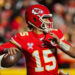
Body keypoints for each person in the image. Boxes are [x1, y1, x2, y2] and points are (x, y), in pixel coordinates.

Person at [0, 4, 75, 75]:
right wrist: (7, 50)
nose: (49, 22)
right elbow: (1, 49)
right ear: (34, 19)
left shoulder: (55, 34)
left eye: (48, 19)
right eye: (45, 18)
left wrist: (60, 43)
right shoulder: (23, 37)